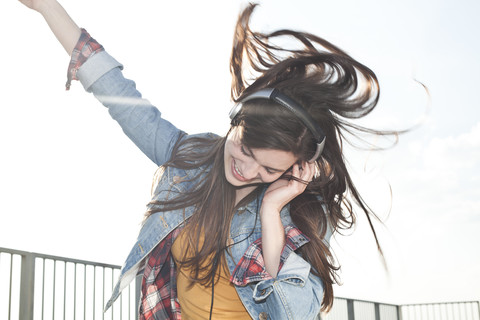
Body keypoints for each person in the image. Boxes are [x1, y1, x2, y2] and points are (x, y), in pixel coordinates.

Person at [18, 0, 393, 319]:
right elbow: (116, 93)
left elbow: (292, 313)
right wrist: (46, 7)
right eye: (245, 149)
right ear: (236, 120)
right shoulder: (189, 159)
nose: (246, 171)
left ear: (291, 169)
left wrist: (270, 216)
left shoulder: (302, 213)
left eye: (268, 169)